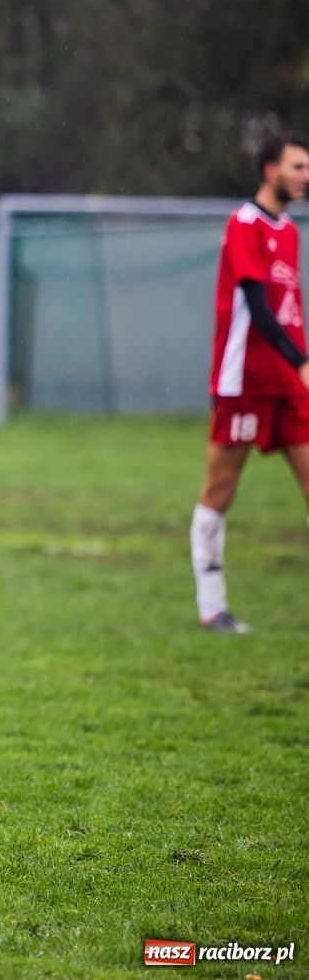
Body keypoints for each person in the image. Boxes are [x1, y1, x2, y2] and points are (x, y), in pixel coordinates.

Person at [190, 133, 309, 633]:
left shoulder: (290, 231)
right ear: (270, 170)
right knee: (221, 489)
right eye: (297, 167)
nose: (305, 176)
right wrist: (300, 360)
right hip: (244, 381)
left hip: (288, 382)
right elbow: (258, 307)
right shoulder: (244, 224)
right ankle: (212, 607)